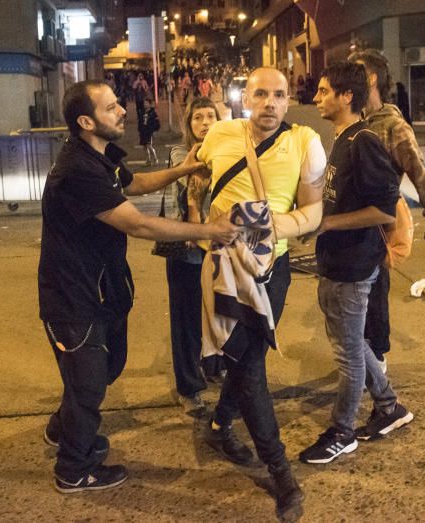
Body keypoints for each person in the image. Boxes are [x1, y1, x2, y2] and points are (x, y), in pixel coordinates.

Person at [39, 80, 237, 494]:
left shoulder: (101, 155)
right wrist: (208, 230)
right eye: (111, 107)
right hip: (74, 297)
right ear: (86, 121)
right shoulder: (78, 169)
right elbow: (138, 222)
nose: (123, 111)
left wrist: (184, 169)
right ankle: (74, 470)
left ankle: (63, 428)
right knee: (89, 382)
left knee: (100, 371)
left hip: (101, 289)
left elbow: (134, 184)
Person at [195, 67, 327, 522]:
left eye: (279, 95)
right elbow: (197, 182)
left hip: (275, 268)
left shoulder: (306, 142)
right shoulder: (219, 134)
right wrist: (201, 231)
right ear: (245, 99)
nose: (270, 103)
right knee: (248, 362)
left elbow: (313, 210)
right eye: (261, 94)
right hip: (224, 267)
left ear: (289, 101)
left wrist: (274, 226)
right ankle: (280, 472)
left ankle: (217, 426)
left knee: (247, 357)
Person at [301, 61, 413, 465]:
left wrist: (326, 222)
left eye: (324, 91)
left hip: (354, 264)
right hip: (335, 260)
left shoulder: (363, 140)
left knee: (347, 354)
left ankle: (342, 431)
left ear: (347, 96)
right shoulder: (342, 138)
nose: (317, 98)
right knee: (354, 344)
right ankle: (389, 407)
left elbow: (384, 210)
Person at [349, 48, 425, 369]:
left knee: (374, 295)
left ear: (372, 78)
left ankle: (376, 364)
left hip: (379, 227)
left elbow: (420, 175)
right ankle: (362, 358)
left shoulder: (394, 127)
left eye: (356, 73)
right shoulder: (358, 122)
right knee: (357, 298)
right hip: (355, 226)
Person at [166, 97, 227, 417]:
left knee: (217, 314)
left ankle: (214, 367)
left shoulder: (228, 151)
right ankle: (188, 388)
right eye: (198, 118)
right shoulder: (181, 154)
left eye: (211, 116)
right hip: (187, 249)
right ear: (188, 126)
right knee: (187, 322)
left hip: (218, 248)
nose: (205, 123)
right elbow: (188, 179)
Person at [138, 98, 161, 165]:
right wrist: (139, 129)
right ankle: (148, 160)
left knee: (149, 145)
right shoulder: (142, 112)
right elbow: (140, 121)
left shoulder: (153, 113)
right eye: (144, 103)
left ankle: (155, 159)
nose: (145, 104)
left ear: (150, 104)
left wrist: (154, 130)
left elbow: (157, 123)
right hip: (143, 131)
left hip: (149, 131)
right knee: (144, 146)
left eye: (146, 103)